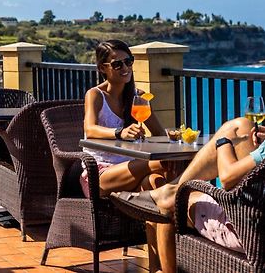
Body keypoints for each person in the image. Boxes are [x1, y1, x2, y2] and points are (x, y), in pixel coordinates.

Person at [111, 117, 265, 273]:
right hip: (253, 217)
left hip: (250, 234)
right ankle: (171, 191)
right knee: (243, 126)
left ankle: (171, 192)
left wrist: (223, 142)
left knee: (174, 205)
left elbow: (227, 178)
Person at [83, 40, 167, 272]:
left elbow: (159, 133)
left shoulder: (137, 98)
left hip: (131, 169)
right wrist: (120, 132)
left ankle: (156, 267)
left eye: (128, 62)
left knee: (155, 187)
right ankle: (185, 196)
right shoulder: (95, 95)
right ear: (103, 68)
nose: (125, 68)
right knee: (161, 166)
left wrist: (165, 133)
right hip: (99, 174)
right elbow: (90, 129)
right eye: (117, 64)